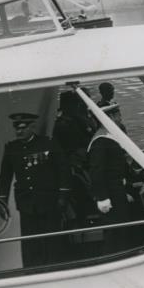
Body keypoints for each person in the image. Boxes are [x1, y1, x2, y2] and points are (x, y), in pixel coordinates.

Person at [0, 113, 70, 269]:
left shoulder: (48, 144)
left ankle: (55, 272)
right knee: (31, 242)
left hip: (49, 201)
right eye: (16, 128)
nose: (19, 132)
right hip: (26, 204)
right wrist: (2, 202)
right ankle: (32, 272)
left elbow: (63, 169)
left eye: (23, 128)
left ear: (32, 127)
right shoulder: (12, 148)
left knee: (52, 241)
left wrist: (63, 195)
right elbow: (5, 177)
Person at [87, 104, 144, 253]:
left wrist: (138, 175)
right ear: (109, 118)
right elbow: (96, 172)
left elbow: (119, 166)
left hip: (119, 190)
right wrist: (103, 198)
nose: (120, 118)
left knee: (125, 227)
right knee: (115, 232)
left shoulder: (110, 137)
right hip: (111, 195)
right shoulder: (100, 141)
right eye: (117, 115)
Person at [52, 90, 96, 228]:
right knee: (82, 193)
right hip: (75, 165)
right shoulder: (68, 123)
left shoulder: (71, 121)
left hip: (81, 162)